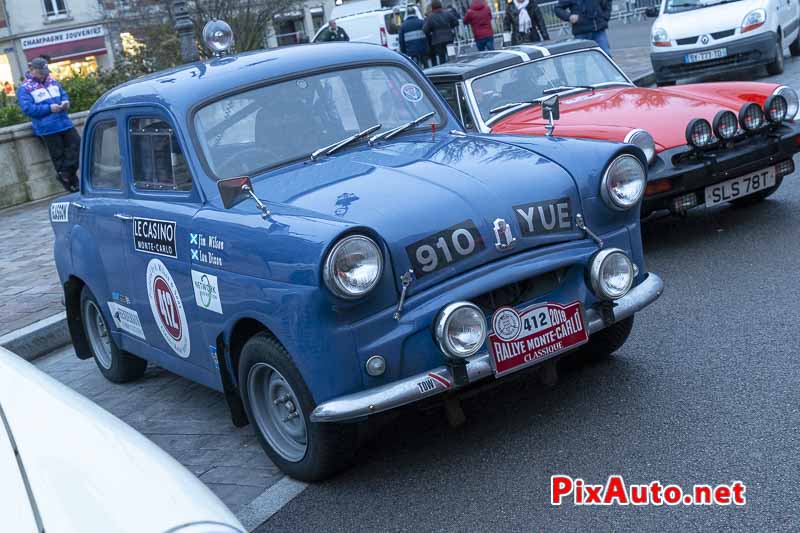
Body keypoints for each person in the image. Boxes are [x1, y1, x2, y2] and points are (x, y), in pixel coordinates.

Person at [17, 57, 80, 192]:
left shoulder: (52, 81)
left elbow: (63, 95)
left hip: (64, 122)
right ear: (31, 70)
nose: (44, 75)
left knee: (77, 145)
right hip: (47, 127)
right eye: (41, 72)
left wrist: (66, 102)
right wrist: (49, 108)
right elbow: (28, 109)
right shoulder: (24, 88)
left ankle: (65, 175)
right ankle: (72, 184)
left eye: (45, 71)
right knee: (59, 156)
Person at [424, 0, 459, 65]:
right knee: (451, 56)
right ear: (441, 5)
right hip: (449, 38)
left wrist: (432, 31)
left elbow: (425, 29)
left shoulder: (431, 17)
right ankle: (454, 67)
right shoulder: (447, 14)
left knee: (442, 58)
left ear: (432, 7)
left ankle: (445, 71)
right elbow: (456, 22)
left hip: (438, 40)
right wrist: (450, 27)